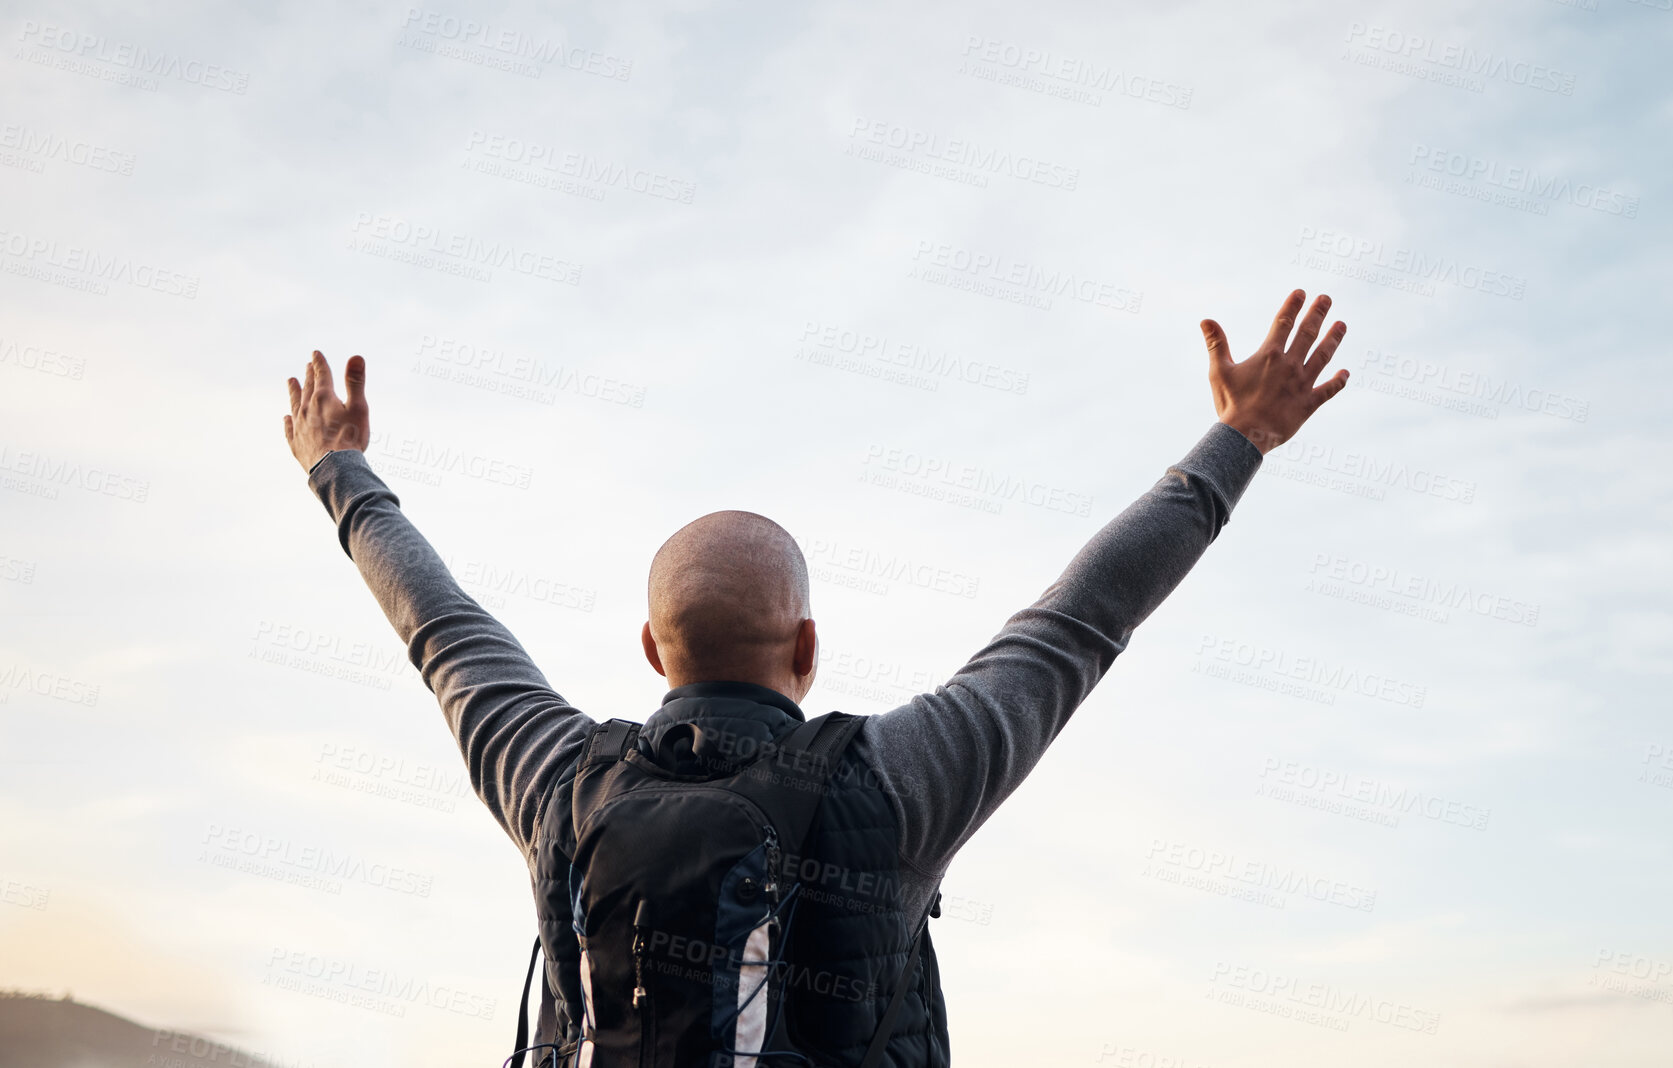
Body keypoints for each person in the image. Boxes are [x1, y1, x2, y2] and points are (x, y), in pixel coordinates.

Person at [282, 289, 1351, 1065]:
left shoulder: (558, 780)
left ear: (652, 653)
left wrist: (341, 469)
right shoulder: (894, 783)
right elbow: (1079, 621)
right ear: (806, 647)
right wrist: (1240, 436)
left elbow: (440, 627)